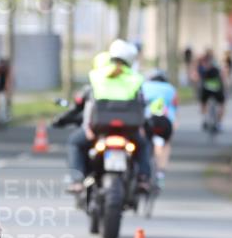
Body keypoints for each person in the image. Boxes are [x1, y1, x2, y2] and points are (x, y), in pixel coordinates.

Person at [65, 39, 151, 192]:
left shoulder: (97, 76)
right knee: (144, 145)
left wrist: (87, 128)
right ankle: (143, 179)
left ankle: (77, 180)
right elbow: (142, 105)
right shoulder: (136, 78)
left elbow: (90, 105)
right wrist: (141, 128)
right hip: (129, 130)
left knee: (74, 143)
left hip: (99, 128)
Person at [141, 70, 178, 189]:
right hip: (165, 123)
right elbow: (174, 109)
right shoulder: (171, 89)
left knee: (143, 143)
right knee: (166, 144)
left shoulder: (144, 87)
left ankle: (143, 171)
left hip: (148, 121)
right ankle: (161, 173)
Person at [196, 50, 226, 131]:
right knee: (222, 104)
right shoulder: (217, 65)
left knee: (203, 102)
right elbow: (222, 76)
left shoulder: (203, 65)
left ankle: (205, 119)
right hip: (217, 88)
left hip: (206, 88)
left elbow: (198, 77)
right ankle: (219, 123)